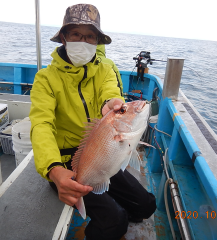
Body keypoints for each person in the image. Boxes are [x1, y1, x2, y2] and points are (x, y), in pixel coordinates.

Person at [29, 4, 156, 240]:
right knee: (114, 222)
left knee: (147, 205)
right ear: (64, 38)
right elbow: (41, 125)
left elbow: (110, 93)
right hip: (67, 164)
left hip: (103, 155)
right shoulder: (45, 79)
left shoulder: (106, 69)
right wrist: (54, 170)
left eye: (90, 36)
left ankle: (111, 205)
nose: (82, 40)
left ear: (97, 41)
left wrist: (111, 104)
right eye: (76, 34)